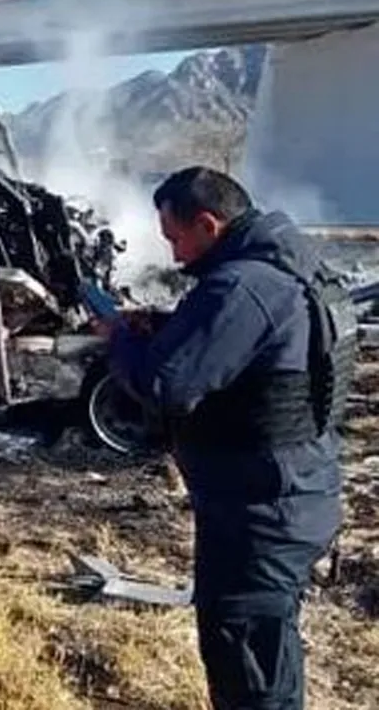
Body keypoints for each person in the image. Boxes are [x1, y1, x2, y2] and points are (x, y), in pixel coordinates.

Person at [98, 166, 357, 709]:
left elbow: (164, 385)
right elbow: (262, 349)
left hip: (260, 510)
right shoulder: (292, 266)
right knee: (266, 647)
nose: (174, 256)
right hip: (294, 490)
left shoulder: (240, 286)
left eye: (176, 238)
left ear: (210, 225)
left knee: (248, 660)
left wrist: (119, 338)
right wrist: (170, 325)